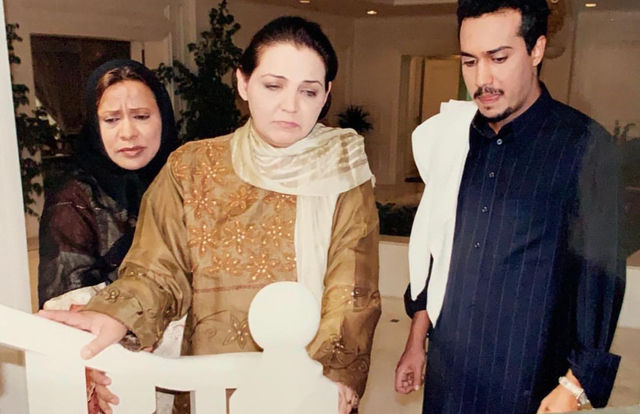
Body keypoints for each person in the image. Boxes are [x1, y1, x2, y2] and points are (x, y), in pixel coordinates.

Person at [41, 16, 381, 414]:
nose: (290, 106)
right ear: (243, 82)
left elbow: (353, 289)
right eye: (273, 85)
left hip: (307, 383)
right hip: (210, 381)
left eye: (308, 91)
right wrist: (118, 315)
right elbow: (158, 271)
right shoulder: (191, 167)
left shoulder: (343, 171)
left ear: (326, 95)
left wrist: (330, 374)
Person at [394, 1, 625, 413]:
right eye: (469, 61)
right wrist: (417, 339)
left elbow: (600, 278)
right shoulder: (456, 140)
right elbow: (436, 246)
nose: (482, 79)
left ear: (536, 50)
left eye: (498, 58)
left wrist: (575, 385)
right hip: (448, 372)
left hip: (527, 381)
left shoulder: (584, 146)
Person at [38, 59, 179, 308]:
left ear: (164, 118)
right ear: (95, 126)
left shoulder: (187, 180)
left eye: (141, 116)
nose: (128, 133)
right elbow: (68, 310)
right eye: (111, 120)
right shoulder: (74, 201)